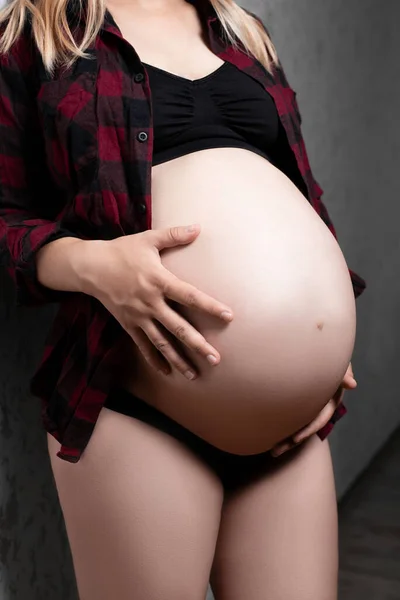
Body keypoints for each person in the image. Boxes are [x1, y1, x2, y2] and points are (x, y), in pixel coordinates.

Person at [0, 0, 366, 598]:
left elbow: (303, 192)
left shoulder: (241, 32)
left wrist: (328, 340)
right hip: (141, 403)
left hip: (291, 431)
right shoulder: (39, 34)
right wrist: (94, 264)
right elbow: (5, 216)